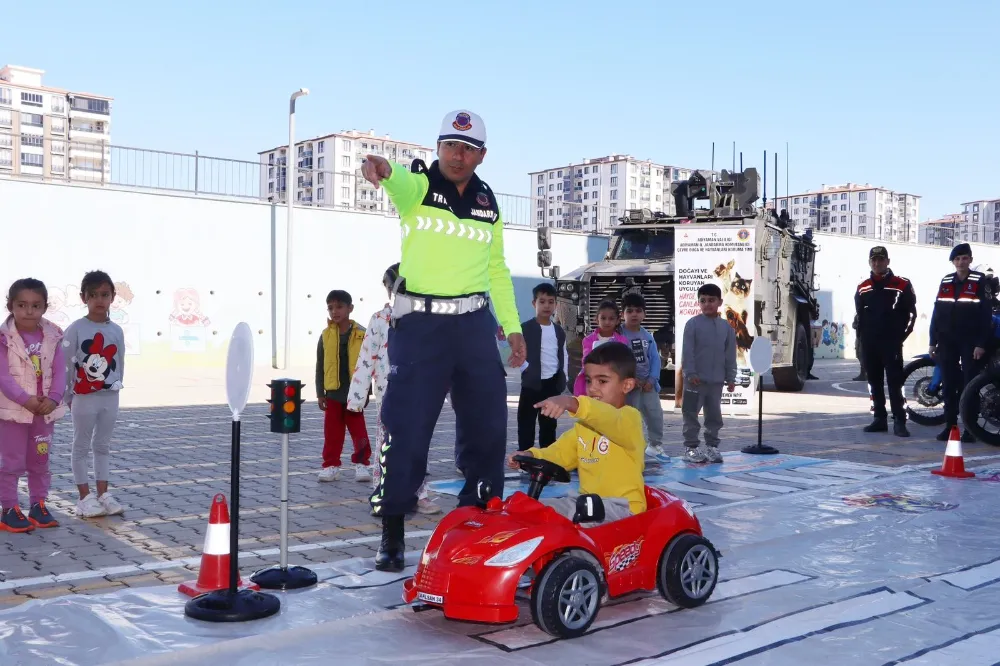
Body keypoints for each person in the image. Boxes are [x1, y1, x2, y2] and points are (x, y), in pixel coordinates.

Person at [360, 109, 525, 571]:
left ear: (482, 156)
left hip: (473, 325)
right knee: (408, 428)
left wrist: (513, 327)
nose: (458, 154)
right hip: (421, 327)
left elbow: (497, 269)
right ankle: (392, 529)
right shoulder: (418, 187)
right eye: (451, 145)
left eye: (468, 148)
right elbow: (393, 180)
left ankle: (478, 516)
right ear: (437, 148)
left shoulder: (488, 202)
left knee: (489, 428)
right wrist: (380, 168)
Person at [510, 342, 645, 523]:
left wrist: (572, 402)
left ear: (627, 385)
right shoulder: (583, 428)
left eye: (602, 381)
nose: (593, 388)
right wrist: (530, 455)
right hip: (587, 503)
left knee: (571, 523)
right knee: (532, 510)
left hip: (622, 508)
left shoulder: (629, 419)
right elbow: (559, 453)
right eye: (589, 381)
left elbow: (607, 418)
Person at [348, 264, 440, 515]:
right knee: (386, 443)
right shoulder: (379, 320)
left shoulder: (426, 318)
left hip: (420, 392)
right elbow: (366, 356)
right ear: (389, 291)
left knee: (419, 443)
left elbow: (438, 356)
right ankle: (383, 493)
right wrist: (357, 396)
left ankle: (419, 494)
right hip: (387, 393)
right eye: (397, 288)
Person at [0, 278, 67, 532]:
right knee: (12, 462)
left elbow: (60, 370)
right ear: (11, 306)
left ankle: (38, 505)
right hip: (14, 413)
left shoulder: (53, 336)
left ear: (44, 308)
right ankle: (8, 509)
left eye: (36, 305)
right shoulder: (4, 339)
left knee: (40, 461)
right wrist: (25, 399)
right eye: (22, 305)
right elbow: (3, 377)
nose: (29, 311)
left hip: (43, 412)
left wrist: (54, 398)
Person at [64, 271, 127, 518]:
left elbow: (120, 362)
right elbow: (67, 365)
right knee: (80, 445)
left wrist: (116, 385)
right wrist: (69, 397)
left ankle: (103, 494)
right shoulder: (76, 329)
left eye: (104, 295)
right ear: (83, 298)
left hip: (110, 396)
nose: (99, 300)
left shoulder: (117, 330)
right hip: (83, 397)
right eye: (93, 295)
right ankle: (84, 497)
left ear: (112, 297)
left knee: (102, 445)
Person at [930, 243, 993, 443]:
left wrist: (981, 343)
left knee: (969, 384)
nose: (960, 262)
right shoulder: (946, 281)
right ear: (953, 262)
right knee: (948, 384)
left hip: (970, 341)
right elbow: (937, 313)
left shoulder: (979, 280)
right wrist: (932, 341)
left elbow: (985, 315)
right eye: (957, 259)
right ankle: (950, 426)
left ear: (970, 260)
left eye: (964, 258)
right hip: (947, 341)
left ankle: (970, 429)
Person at [854, 246, 917, 438]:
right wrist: (862, 340)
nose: (877, 263)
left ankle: (899, 420)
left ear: (888, 261)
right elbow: (860, 316)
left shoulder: (902, 284)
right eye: (873, 260)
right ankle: (879, 419)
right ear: (869, 262)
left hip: (891, 344)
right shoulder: (863, 286)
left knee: (895, 383)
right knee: (874, 382)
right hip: (870, 344)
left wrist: (899, 338)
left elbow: (912, 314)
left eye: (881, 259)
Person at [315, 289, 371, 482]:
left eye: (339, 307)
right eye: (330, 308)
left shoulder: (363, 334)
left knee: (358, 431)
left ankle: (362, 464)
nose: (334, 312)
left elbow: (370, 364)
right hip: (333, 393)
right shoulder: (325, 336)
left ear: (350, 308)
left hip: (355, 393)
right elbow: (320, 366)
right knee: (332, 433)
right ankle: (331, 465)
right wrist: (320, 393)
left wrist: (367, 391)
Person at [680, 283, 736, 464]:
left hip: (716, 382)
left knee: (714, 416)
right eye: (702, 301)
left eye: (711, 300)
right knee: (690, 414)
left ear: (720, 302)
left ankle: (712, 447)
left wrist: (730, 377)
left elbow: (730, 355)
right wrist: (690, 373)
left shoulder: (726, 328)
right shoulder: (692, 324)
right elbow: (687, 352)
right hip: (693, 381)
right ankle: (691, 448)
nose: (707, 304)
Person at [517, 283, 569, 452]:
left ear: (556, 305)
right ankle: (526, 457)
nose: (546, 306)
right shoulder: (525, 328)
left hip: (551, 385)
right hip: (531, 384)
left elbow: (563, 354)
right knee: (526, 422)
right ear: (534, 303)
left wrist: (563, 377)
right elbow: (517, 351)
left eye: (551, 301)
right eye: (542, 301)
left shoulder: (558, 331)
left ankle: (548, 456)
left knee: (548, 424)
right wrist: (526, 369)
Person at [621, 293, 666, 460]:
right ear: (622, 314)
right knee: (632, 418)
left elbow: (655, 359)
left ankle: (655, 445)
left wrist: (652, 380)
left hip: (648, 386)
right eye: (629, 311)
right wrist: (631, 379)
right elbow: (620, 360)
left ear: (644, 314)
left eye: (638, 310)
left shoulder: (648, 336)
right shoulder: (620, 335)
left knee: (655, 414)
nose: (634, 314)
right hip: (629, 387)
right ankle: (632, 447)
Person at [573, 300, 628, 396]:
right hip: (592, 381)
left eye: (611, 319)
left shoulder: (622, 341)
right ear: (597, 319)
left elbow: (624, 363)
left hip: (613, 382)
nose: (607, 322)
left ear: (617, 320)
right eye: (603, 318)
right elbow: (586, 360)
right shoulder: (588, 340)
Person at [851, 315, 867, 382]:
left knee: (862, 355)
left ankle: (863, 374)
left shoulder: (868, 313)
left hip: (865, 338)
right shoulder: (858, 315)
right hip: (859, 337)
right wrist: (857, 325)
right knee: (858, 354)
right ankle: (863, 373)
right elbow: (853, 325)